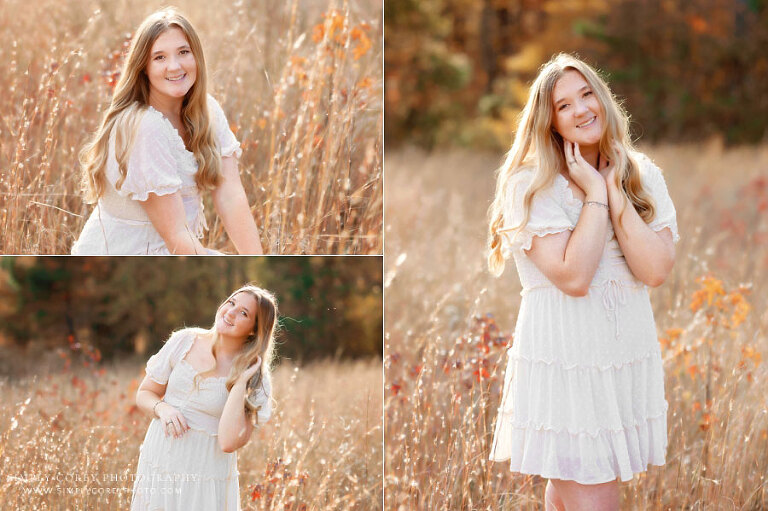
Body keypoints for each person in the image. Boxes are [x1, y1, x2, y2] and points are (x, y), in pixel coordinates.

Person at [487, 53, 678, 511]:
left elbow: (655, 270)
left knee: (577, 494)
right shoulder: (530, 185)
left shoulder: (642, 173)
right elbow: (574, 277)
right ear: (549, 122)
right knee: (594, 496)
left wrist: (614, 192)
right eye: (564, 105)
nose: (581, 110)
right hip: (566, 361)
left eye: (587, 94)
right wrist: (593, 194)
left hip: (622, 361)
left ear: (603, 97)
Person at [71, 8, 263, 255]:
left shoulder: (208, 110)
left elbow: (231, 197)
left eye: (183, 52)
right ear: (143, 67)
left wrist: (255, 262)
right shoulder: (144, 126)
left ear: (196, 57)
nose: (174, 66)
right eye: (159, 57)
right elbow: (176, 235)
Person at [131, 284, 277, 510]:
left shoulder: (256, 377)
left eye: (244, 313)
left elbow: (229, 442)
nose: (230, 312)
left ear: (253, 330)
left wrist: (239, 383)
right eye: (231, 302)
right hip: (159, 461)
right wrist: (163, 408)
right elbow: (144, 393)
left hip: (204, 477)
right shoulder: (184, 341)